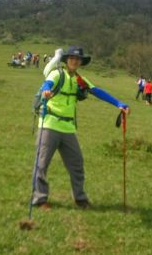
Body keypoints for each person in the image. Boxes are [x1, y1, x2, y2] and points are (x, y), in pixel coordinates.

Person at [32, 45, 129, 210]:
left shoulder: (79, 80)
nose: (74, 61)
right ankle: (40, 200)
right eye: (71, 58)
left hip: (68, 127)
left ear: (80, 62)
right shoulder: (57, 74)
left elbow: (97, 91)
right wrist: (47, 91)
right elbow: (47, 83)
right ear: (66, 60)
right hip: (49, 124)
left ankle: (80, 199)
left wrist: (118, 103)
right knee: (41, 164)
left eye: (77, 59)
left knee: (77, 164)